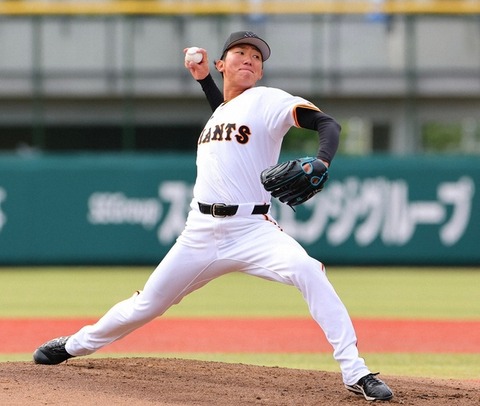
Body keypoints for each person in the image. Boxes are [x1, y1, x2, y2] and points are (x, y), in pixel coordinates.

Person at [33, 31, 393, 402]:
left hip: (252, 229)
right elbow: (227, 112)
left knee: (309, 270)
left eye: (257, 56)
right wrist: (204, 80)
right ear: (223, 64)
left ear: (261, 72)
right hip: (200, 232)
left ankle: (355, 371)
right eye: (240, 52)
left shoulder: (268, 100)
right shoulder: (221, 112)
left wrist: (322, 160)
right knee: (147, 304)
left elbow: (328, 124)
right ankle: (74, 345)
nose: (249, 58)